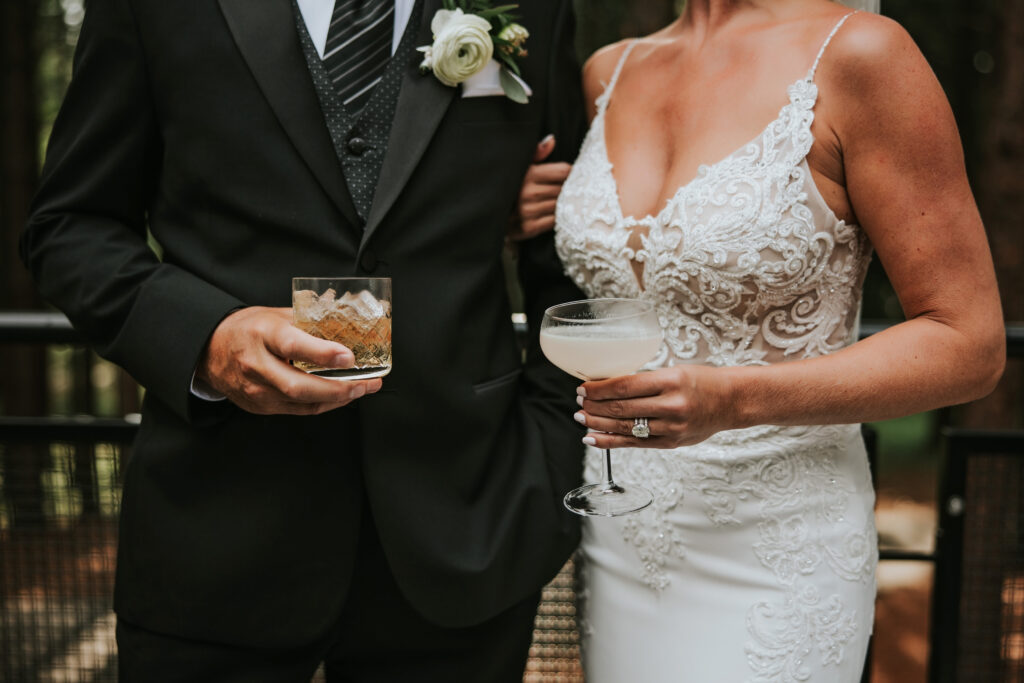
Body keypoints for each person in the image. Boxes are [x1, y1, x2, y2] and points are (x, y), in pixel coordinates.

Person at [21, 0, 587, 680]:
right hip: (217, 531)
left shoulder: (537, 7)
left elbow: (573, 253)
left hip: (471, 526)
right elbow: (70, 227)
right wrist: (208, 337)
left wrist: (550, 454)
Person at [518, 0, 1006, 679]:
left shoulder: (861, 55)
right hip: (623, 523)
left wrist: (736, 398)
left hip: (778, 540)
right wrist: (518, 214)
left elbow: (969, 343)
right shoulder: (611, 70)